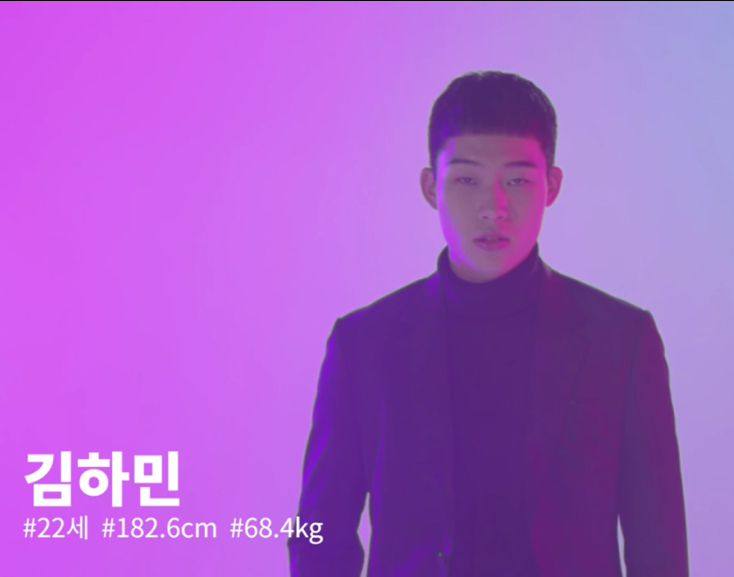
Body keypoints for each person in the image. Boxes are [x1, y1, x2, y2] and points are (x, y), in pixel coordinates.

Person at [288, 70, 689, 577]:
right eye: (467, 179)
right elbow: (320, 536)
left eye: (517, 180)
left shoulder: (621, 341)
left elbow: (659, 551)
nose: (493, 208)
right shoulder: (362, 344)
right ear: (431, 187)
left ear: (552, 186)